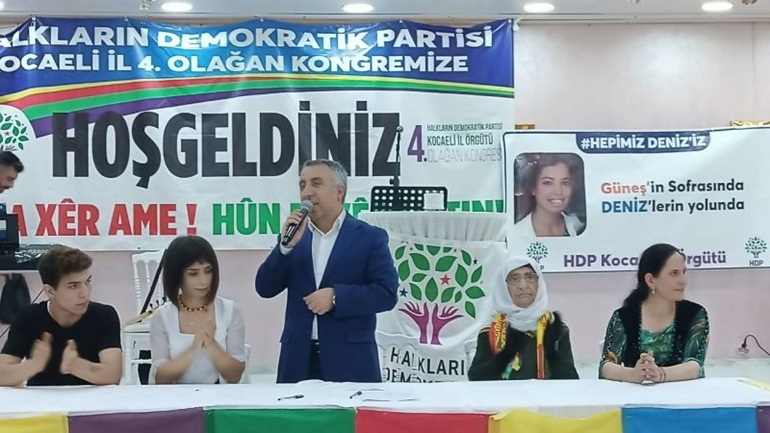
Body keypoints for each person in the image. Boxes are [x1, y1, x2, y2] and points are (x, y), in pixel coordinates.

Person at [255, 159, 398, 383]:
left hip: (351, 362)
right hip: (298, 361)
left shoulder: (369, 237)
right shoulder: (294, 238)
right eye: (302, 185)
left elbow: (386, 294)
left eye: (316, 183)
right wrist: (284, 248)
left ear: (339, 192)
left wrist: (336, 297)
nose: (307, 192)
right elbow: (264, 288)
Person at [0, 245, 122, 386]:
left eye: (87, 282)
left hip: (94, 397)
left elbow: (113, 375)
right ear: (50, 291)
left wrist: (76, 366)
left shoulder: (104, 315)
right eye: (73, 286)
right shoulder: (28, 317)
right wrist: (34, 365)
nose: (84, 293)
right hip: (41, 398)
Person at [599, 243, 709, 384]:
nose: (683, 280)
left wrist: (660, 374)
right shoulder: (624, 317)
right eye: (674, 273)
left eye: (684, 272)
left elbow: (695, 365)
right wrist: (633, 374)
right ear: (650, 280)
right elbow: (606, 366)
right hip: (635, 394)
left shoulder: (694, 314)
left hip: (684, 393)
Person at [150, 235, 246, 384]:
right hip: (178, 396)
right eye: (193, 273)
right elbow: (161, 378)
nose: (204, 280)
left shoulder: (230, 311)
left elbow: (235, 376)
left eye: (208, 271)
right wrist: (194, 348)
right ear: (176, 275)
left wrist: (211, 343)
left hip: (221, 395)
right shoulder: (162, 316)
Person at [468, 256, 578, 380]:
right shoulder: (490, 332)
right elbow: (477, 379)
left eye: (530, 277)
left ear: (539, 283)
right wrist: (506, 354)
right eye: (514, 279)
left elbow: (570, 381)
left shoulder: (555, 329)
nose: (523, 286)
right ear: (504, 287)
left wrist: (551, 352)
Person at [514, 153, 585, 237]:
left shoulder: (578, 226)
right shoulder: (517, 234)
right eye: (548, 183)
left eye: (565, 183)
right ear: (533, 188)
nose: (558, 192)